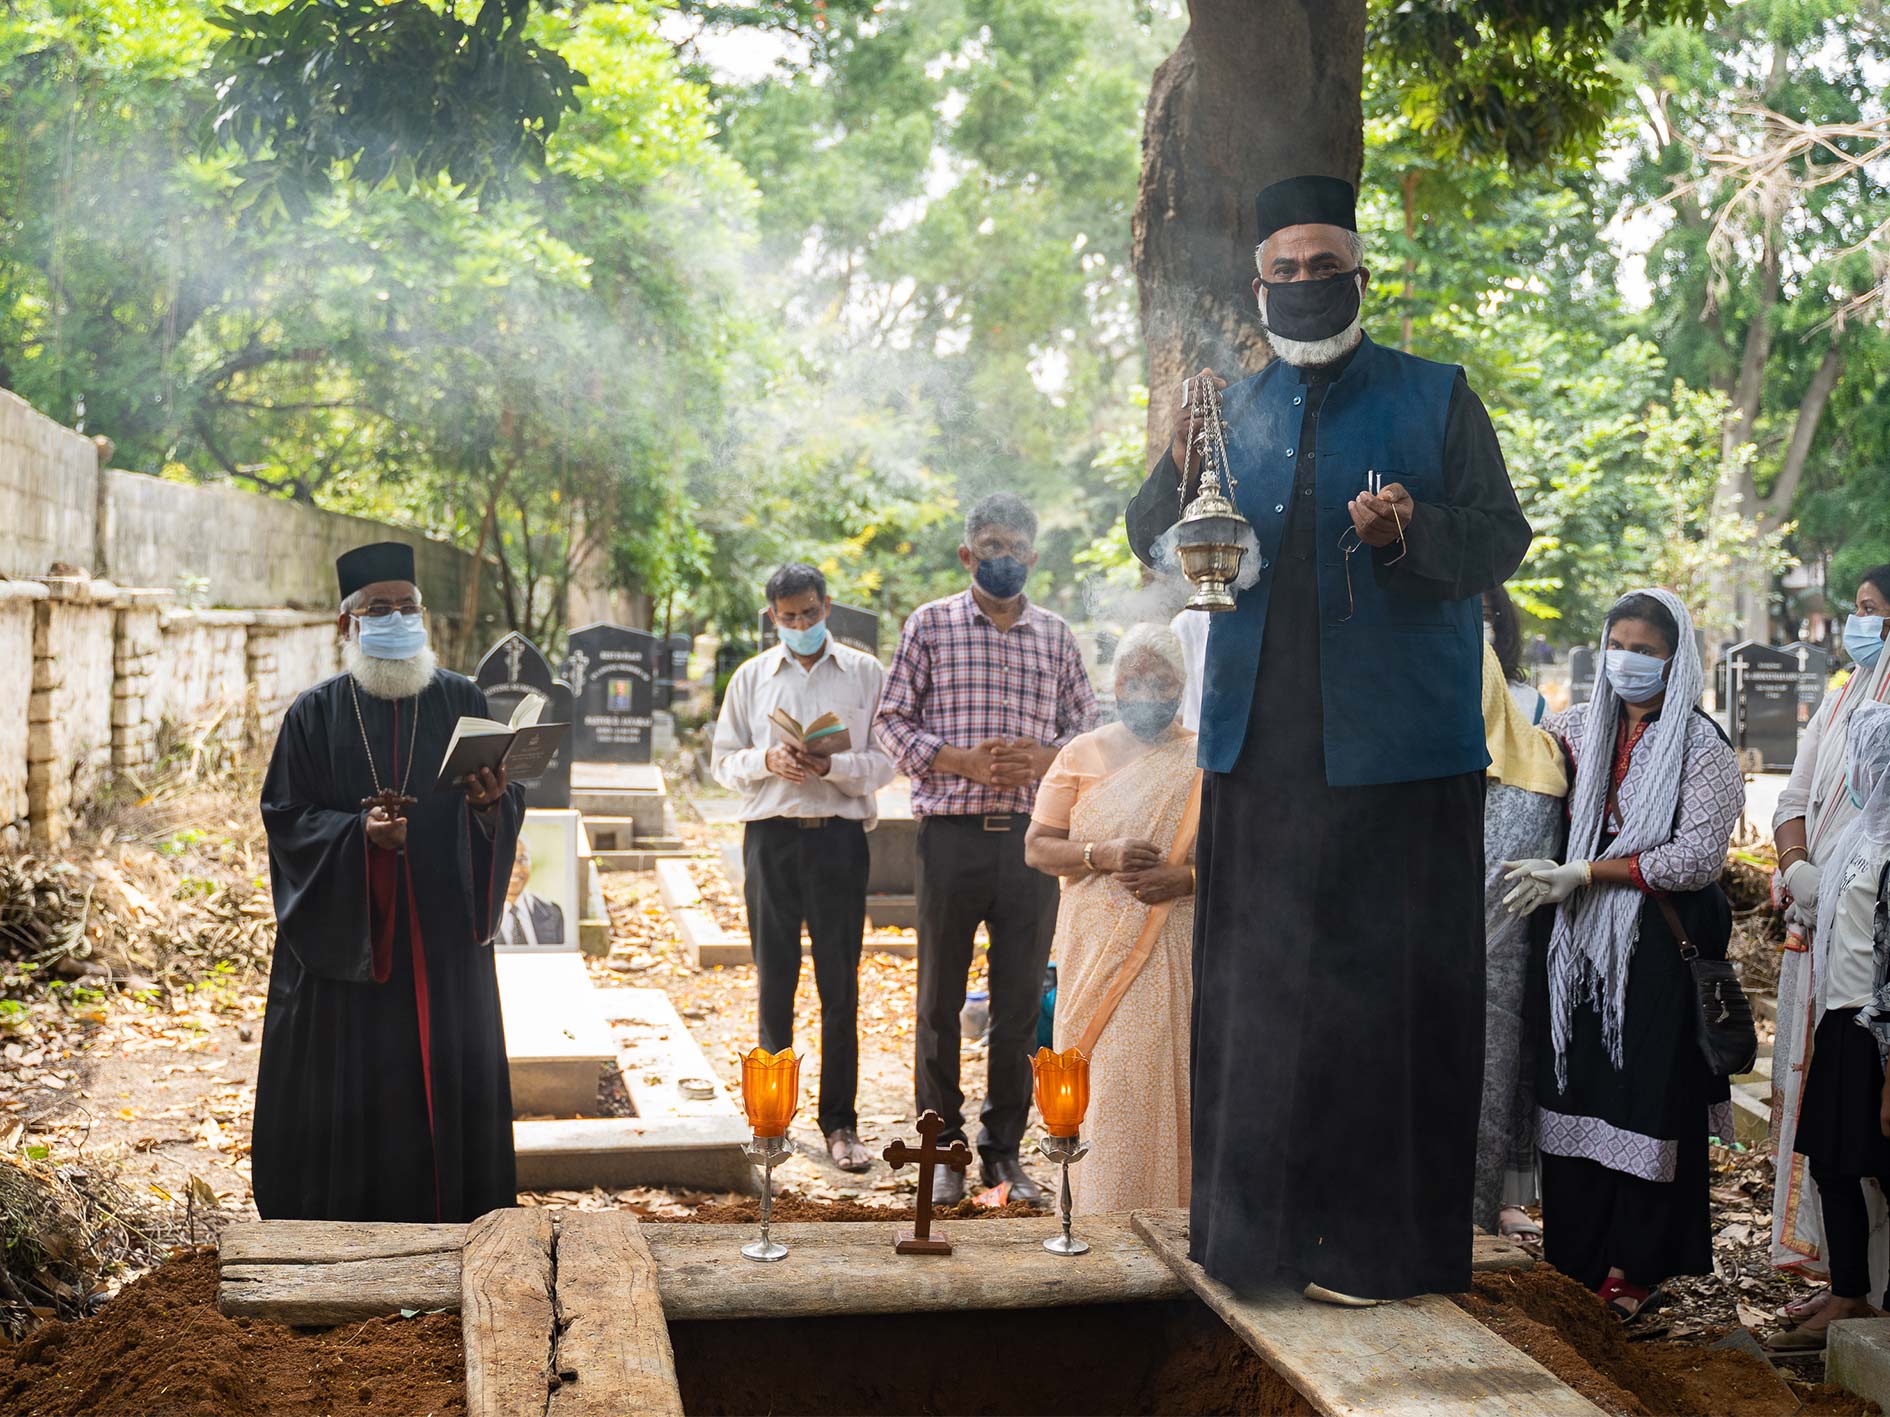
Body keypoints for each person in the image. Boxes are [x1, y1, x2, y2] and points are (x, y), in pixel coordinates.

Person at [1124, 174, 1531, 1302]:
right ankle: (1255, 1246)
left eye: (1325, 266)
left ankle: (1375, 1251)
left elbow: (1503, 538)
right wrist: (1169, 450)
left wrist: (1413, 530)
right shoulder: (1229, 408)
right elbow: (1152, 540)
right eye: (1284, 271)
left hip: (1401, 763)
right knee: (1261, 999)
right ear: (1259, 285)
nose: (1306, 285)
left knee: (1388, 1007)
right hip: (1261, 760)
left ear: (1362, 275)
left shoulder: (1436, 395)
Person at [255, 542, 524, 1222]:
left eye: (409, 606)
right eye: (381, 607)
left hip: (442, 951)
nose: (398, 617)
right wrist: (359, 838)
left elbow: (497, 805)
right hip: (352, 950)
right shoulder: (314, 714)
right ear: (348, 623)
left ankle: (456, 1225)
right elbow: (286, 821)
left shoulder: (462, 698)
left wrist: (492, 805)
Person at [1503, 588, 1743, 1319]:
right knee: (1574, 1091)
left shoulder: (1704, 749)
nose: (1628, 661)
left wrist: (1588, 872)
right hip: (1571, 946)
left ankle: (1634, 1268)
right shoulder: (1574, 730)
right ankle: (1572, 1260)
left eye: (1645, 650)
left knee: (1645, 1100)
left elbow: (1694, 858)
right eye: (1619, 645)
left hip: (1655, 953)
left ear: (1676, 660)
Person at [876, 493, 1099, 1208]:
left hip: (1033, 848)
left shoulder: (1057, 637)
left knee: (1017, 1005)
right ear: (968, 554)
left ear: (1034, 557)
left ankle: (1005, 1155)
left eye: (1016, 546)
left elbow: (1089, 731)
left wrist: (1047, 758)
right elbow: (889, 720)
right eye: (990, 545)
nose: (1004, 557)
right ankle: (942, 1153)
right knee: (940, 1001)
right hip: (950, 839)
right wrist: (957, 760)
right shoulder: (930, 626)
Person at [711, 563, 898, 1173]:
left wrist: (831, 768)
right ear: (773, 617)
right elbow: (723, 761)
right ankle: (772, 1120)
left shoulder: (866, 675)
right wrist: (767, 759)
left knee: (840, 985)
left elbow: (886, 760)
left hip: (839, 841)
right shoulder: (751, 677)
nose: (800, 625)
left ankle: (840, 1124)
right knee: (774, 981)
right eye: (789, 618)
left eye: (810, 614)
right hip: (770, 838)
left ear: (827, 607)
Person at [1024, 624, 1199, 1212]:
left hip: (1170, 945)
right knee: (1102, 1084)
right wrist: (1102, 854)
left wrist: (1188, 879)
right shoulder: (1081, 753)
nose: (1147, 691)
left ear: (1182, 685)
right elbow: (1038, 847)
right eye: (1134, 680)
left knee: (1154, 1078)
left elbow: (1250, 860)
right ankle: (1096, 1218)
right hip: (1090, 949)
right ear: (1115, 683)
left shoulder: (1205, 759)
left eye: (1162, 681)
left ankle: (1170, 1221)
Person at [1770, 564, 1890, 1312]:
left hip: (1876, 1006)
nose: (1859, 622)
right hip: (1837, 983)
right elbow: (1792, 799)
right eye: (1858, 609)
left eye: (1872, 609)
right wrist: (1799, 868)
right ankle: (1852, 1288)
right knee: (1837, 1151)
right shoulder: (1846, 698)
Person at [1474, 586, 1569, 1247]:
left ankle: (1480, 1213)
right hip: (1412, 950)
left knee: (1490, 1073)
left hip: (1495, 954)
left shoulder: (1537, 745)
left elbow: (1513, 869)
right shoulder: (1404, 728)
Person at [497, 839, 565, 946]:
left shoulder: (552, 913)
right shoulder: (477, 917)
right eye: (505, 860)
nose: (515, 869)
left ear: (531, 863)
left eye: (521, 860)